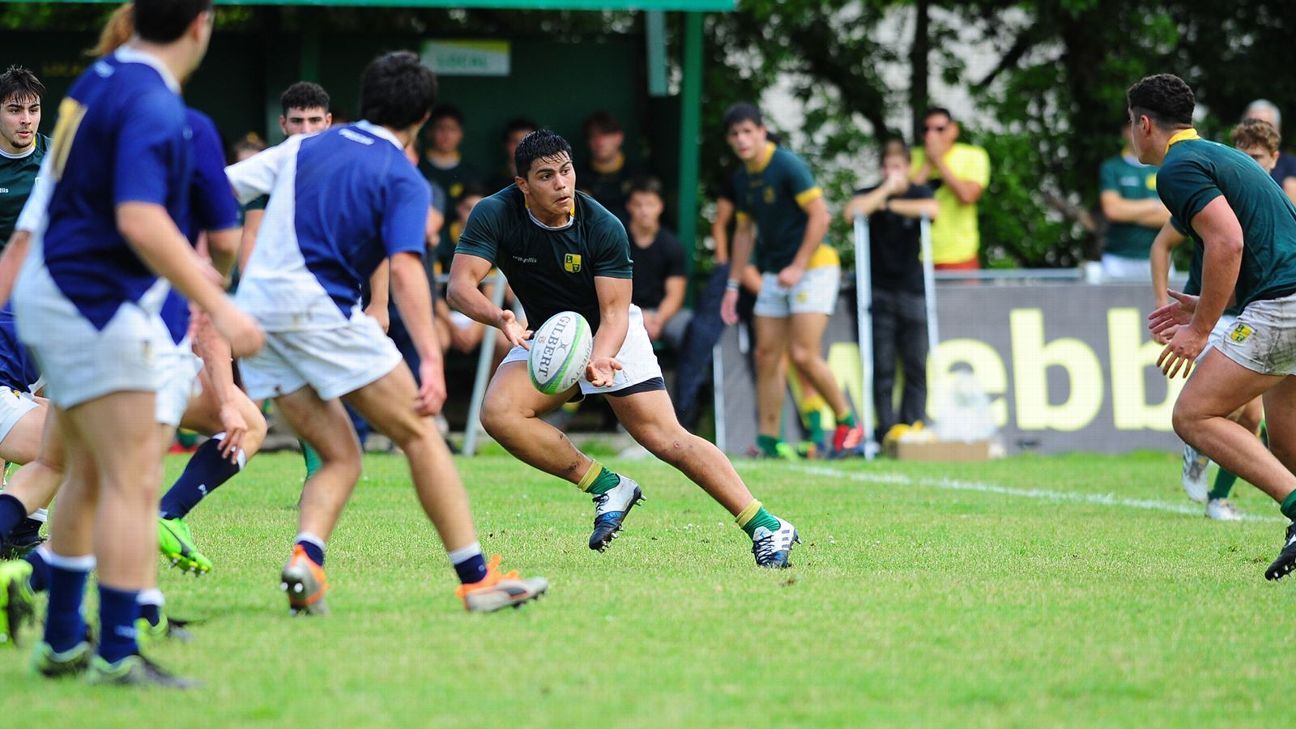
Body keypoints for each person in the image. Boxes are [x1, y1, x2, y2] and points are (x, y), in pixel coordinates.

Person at [225, 51, 546, 615]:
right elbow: (404, 268)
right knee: (422, 433)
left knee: (340, 455)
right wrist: (430, 359)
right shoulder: (403, 175)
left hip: (257, 321)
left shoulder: (302, 146)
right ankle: (477, 579)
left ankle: (306, 561)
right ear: (421, 117)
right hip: (317, 311)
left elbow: (218, 188)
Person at [9, 0, 262, 686]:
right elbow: (143, 221)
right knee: (129, 479)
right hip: (97, 305)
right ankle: (116, 650)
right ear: (201, 24)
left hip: (54, 298)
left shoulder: (94, 84)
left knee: (86, 471)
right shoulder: (156, 105)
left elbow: (39, 215)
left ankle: (63, 638)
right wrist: (221, 306)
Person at [449, 128, 800, 568]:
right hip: (549, 335)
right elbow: (461, 288)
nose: (561, 184)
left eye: (566, 170)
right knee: (499, 415)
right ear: (522, 185)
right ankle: (606, 485)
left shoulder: (603, 226)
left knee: (666, 439)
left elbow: (614, 314)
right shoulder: (495, 213)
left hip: (610, 333)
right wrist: (498, 316)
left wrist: (598, 356)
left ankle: (767, 525)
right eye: (545, 176)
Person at [1136, 73, 1296, 579]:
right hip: (1286, 299)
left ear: (1143, 124)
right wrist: (1206, 303)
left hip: (1282, 306)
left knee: (1195, 415)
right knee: (1287, 440)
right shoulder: (1218, 156)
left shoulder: (1178, 168)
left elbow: (1227, 242)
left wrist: (1201, 329)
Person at [718, 103, 863, 459]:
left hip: (814, 266)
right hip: (774, 273)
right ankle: (769, 440)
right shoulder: (741, 178)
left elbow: (821, 216)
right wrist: (733, 286)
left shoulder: (787, 165)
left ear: (762, 131)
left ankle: (849, 424)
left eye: (748, 131)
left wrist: (798, 265)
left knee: (802, 354)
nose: (742, 140)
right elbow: (744, 232)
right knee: (766, 355)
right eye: (735, 134)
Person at [1149, 118, 1277, 521]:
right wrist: (1163, 307)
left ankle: (1214, 489)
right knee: (1232, 412)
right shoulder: (1210, 194)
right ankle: (1205, 466)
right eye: (1244, 156)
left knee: (1251, 416)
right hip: (1213, 312)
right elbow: (1162, 246)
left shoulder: (1268, 200)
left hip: (1258, 309)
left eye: (1258, 157)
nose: (1250, 163)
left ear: (1274, 159)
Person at [843, 139, 939, 442]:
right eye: (887, 166)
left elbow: (932, 209)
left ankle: (914, 424)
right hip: (878, 291)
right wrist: (883, 192)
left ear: (908, 167)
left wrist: (890, 204)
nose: (891, 172)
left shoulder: (918, 193)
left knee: (915, 363)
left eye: (897, 167)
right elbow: (852, 213)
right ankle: (885, 430)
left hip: (912, 289)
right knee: (882, 365)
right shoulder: (869, 195)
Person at [909, 107, 990, 270]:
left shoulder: (973, 156)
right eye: (926, 129)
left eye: (939, 129)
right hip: (916, 253)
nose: (932, 135)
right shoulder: (910, 157)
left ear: (954, 130)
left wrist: (939, 161)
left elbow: (967, 197)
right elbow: (904, 200)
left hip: (959, 254)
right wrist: (927, 164)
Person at [1099, 121, 1170, 280]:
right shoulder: (1112, 167)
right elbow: (1113, 211)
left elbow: (1172, 216)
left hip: (1160, 257)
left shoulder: (1164, 166)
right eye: (1133, 126)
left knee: (1163, 304)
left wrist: (1129, 212)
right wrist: (1154, 205)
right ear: (1124, 131)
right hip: (1117, 259)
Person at [626, 176, 690, 349]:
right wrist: (639, 315)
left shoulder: (672, 245)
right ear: (629, 206)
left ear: (660, 206)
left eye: (650, 204)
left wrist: (659, 319)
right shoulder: (617, 241)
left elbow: (675, 294)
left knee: (688, 327)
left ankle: (687, 377)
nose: (644, 211)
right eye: (638, 204)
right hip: (624, 312)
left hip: (662, 314)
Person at [0, 66, 47, 251]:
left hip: (44, 273)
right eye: (15, 110)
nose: (26, 119)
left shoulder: (59, 159)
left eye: (33, 110)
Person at [578, 111, 638, 225]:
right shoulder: (578, 177)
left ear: (619, 138)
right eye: (593, 136)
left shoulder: (637, 175)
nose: (599, 142)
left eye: (605, 135)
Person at [1242, 99, 1296, 204]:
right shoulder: (1228, 161)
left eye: (1265, 127)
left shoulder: (1292, 166)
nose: (1256, 133)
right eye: (1251, 126)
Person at [486, 117, 536, 193]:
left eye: (528, 141)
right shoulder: (494, 184)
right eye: (515, 142)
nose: (522, 146)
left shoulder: (547, 179)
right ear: (506, 145)